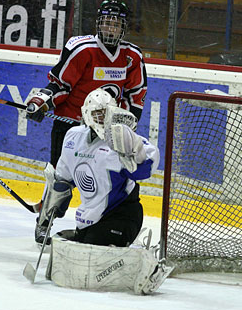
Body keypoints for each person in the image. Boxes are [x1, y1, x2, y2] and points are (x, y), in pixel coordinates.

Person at [25, 0, 147, 244]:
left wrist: (126, 127)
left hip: (109, 131)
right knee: (61, 180)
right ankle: (45, 221)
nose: (110, 29)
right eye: (107, 23)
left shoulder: (132, 56)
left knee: (111, 180)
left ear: (123, 28)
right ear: (98, 24)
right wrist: (43, 101)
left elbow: (136, 95)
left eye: (116, 24)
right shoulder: (83, 49)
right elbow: (60, 84)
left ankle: (106, 224)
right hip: (72, 126)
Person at [37, 87, 171, 294]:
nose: (101, 119)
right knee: (75, 247)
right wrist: (50, 213)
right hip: (90, 218)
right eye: (96, 114)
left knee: (94, 251)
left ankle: (147, 264)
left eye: (106, 113)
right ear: (86, 115)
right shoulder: (73, 137)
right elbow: (62, 179)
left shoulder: (121, 139)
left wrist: (134, 153)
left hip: (122, 216)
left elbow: (147, 167)